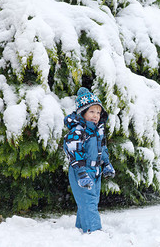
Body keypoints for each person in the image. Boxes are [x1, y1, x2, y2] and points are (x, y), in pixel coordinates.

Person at [63, 87, 116, 233]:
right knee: (89, 202)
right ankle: (94, 231)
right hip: (82, 170)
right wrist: (81, 173)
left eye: (98, 112)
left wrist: (106, 164)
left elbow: (102, 150)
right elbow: (74, 152)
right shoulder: (77, 131)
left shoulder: (97, 131)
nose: (95, 115)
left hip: (95, 171)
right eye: (91, 112)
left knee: (89, 201)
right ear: (83, 113)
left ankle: (81, 227)